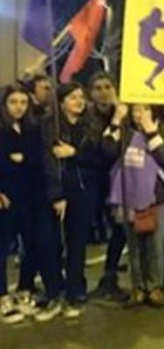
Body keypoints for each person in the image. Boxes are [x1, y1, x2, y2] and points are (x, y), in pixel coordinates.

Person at [103, 103, 164, 308]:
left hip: (156, 197)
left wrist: (152, 132)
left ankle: (155, 287)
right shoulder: (124, 132)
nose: (139, 114)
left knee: (155, 245)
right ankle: (137, 287)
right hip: (128, 196)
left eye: (144, 109)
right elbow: (107, 150)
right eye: (135, 110)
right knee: (134, 245)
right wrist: (116, 120)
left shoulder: (161, 130)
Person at [0, 84, 59, 324]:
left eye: (23, 102)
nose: (19, 107)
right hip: (6, 197)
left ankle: (25, 289)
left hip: (32, 196)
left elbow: (37, 161)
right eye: (13, 102)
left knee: (33, 243)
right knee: (2, 248)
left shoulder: (32, 130)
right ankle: (2, 296)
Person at [45, 82, 99, 319]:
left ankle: (76, 288)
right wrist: (56, 194)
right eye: (72, 97)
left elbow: (99, 157)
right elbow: (49, 163)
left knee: (77, 243)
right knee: (54, 242)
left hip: (83, 190)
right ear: (61, 102)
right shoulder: (51, 127)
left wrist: (75, 153)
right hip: (58, 191)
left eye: (81, 97)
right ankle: (55, 289)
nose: (79, 101)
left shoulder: (91, 126)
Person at [86, 73, 131, 302]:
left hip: (118, 180)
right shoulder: (87, 118)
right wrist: (114, 123)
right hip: (93, 180)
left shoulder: (125, 116)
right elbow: (104, 150)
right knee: (83, 230)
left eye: (108, 87)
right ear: (91, 94)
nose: (104, 92)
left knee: (120, 228)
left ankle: (110, 276)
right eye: (98, 88)